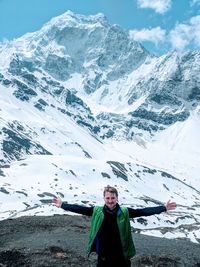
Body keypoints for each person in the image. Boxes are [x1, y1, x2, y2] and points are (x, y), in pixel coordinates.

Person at [52, 185, 177, 267]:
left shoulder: (124, 212)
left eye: (113, 198)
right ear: (104, 198)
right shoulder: (97, 211)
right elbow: (80, 209)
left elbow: (143, 211)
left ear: (117, 198)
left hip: (121, 257)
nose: (110, 200)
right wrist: (63, 205)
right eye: (108, 198)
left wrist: (163, 208)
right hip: (103, 257)